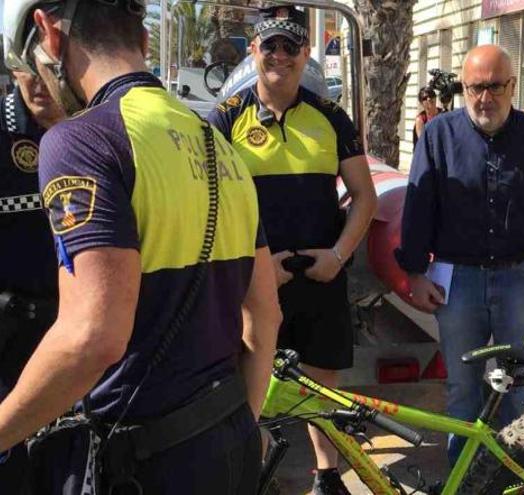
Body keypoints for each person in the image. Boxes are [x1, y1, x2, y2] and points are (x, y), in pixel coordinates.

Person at [0, 1, 282, 494]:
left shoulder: (83, 141)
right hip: (228, 441)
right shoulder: (219, 145)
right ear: (145, 41)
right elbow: (265, 316)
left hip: (144, 464)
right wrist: (239, 425)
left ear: (48, 33)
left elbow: (92, 337)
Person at [207, 7, 377, 494]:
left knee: (322, 383)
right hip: (257, 279)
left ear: (306, 53)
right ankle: (256, 479)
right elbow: (212, 200)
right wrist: (256, 268)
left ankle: (327, 476)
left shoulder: (331, 117)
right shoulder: (225, 117)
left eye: (290, 46)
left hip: (322, 272)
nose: (280, 55)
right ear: (253, 51)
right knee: (252, 385)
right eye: (270, 46)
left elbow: (363, 195)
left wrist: (339, 257)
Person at [396, 44, 524, 464]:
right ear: (463, 88)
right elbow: (419, 208)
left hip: (519, 279)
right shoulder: (439, 134)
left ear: (512, 86)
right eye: (474, 88)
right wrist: (416, 274)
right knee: (464, 386)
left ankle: (516, 474)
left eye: (494, 87)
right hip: (458, 282)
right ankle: (464, 477)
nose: (484, 98)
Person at [0, 68, 64, 494]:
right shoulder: (4, 128)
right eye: (27, 68)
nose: (39, 82)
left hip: (79, 330)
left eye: (51, 70)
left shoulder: (102, 130)